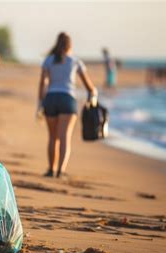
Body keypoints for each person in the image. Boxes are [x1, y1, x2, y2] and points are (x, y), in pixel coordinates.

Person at [38, 32, 98, 178]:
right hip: (67, 99)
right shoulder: (75, 61)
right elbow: (89, 86)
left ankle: (51, 169)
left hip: (51, 98)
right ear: (70, 45)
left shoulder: (48, 60)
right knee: (65, 137)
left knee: (52, 137)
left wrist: (40, 103)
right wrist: (93, 94)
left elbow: (43, 83)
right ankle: (61, 171)